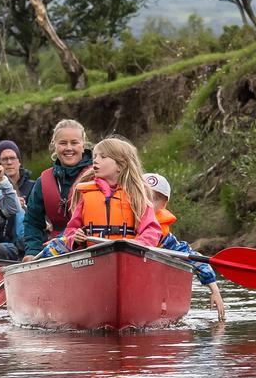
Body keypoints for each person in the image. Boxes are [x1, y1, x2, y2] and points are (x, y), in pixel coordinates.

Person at [146, 172, 227, 322]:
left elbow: (197, 260)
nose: (147, 203)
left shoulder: (166, 241)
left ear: (163, 205)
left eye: (154, 199)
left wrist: (215, 290)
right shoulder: (121, 227)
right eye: (141, 196)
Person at [56, 136, 161, 250]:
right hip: (93, 257)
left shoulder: (136, 196)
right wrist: (75, 238)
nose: (95, 160)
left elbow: (152, 230)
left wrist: (138, 244)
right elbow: (71, 230)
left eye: (103, 157)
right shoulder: (86, 194)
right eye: (95, 156)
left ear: (120, 165)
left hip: (127, 255)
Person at [20, 119, 92, 258]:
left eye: (74, 142)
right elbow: (32, 222)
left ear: (83, 145)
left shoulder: (98, 175)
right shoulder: (43, 181)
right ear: (55, 146)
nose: (69, 148)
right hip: (54, 253)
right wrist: (32, 252)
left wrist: (65, 239)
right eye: (63, 143)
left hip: (89, 246)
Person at [0, 139, 32, 250]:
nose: (9, 162)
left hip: (28, 244)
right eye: (4, 159)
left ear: (19, 161)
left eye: (12, 158)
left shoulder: (33, 187)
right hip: (1, 245)